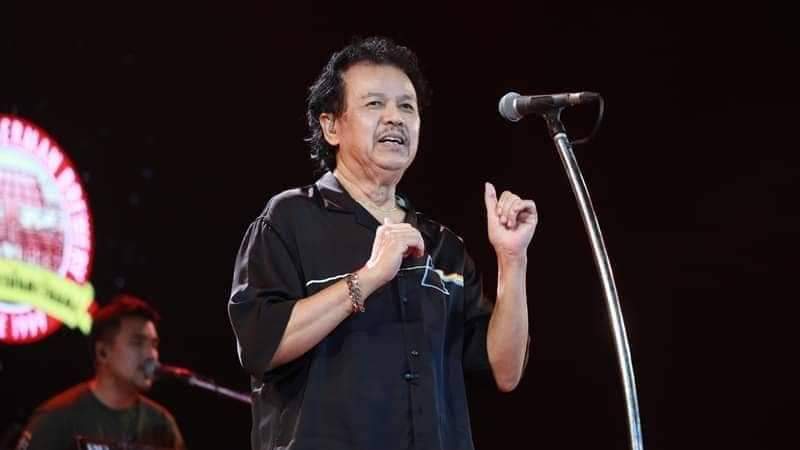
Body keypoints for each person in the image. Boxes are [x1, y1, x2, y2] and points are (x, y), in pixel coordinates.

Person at [228, 36, 535, 450]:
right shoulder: (289, 219)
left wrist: (512, 259)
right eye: (375, 104)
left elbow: (506, 371)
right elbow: (260, 345)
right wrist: (369, 277)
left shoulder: (443, 246)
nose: (395, 118)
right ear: (331, 126)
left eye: (407, 107)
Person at [15, 294, 186, 450]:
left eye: (154, 345)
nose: (151, 355)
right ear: (102, 352)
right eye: (137, 343)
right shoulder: (56, 419)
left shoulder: (162, 423)